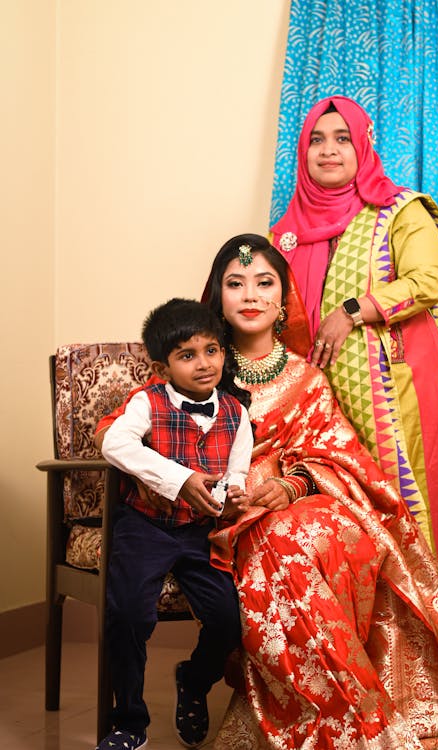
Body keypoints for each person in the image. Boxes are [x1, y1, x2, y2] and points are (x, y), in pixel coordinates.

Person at [98, 236, 438, 749]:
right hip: (213, 512)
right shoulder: (195, 360)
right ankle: (323, 718)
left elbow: (336, 452)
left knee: (339, 532)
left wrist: (289, 484)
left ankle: (346, 710)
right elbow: (118, 430)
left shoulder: (307, 377)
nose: (250, 294)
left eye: (264, 282)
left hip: (282, 499)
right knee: (287, 545)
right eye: (235, 283)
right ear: (218, 299)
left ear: (284, 298)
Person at [270, 95, 438, 576]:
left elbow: (426, 282)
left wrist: (351, 312)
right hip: (313, 399)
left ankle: (416, 646)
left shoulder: (399, 210)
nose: (328, 150)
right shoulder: (285, 233)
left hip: (394, 392)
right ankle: (339, 644)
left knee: (398, 506)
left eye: (342, 138)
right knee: (328, 512)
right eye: (316, 139)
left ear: (363, 147)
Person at [96, 299, 253, 750]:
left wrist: (232, 495)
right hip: (144, 525)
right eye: (187, 355)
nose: (204, 364)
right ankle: (128, 720)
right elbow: (117, 445)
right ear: (163, 368)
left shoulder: (236, 413)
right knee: (127, 613)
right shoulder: (147, 402)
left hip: (198, 532)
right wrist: (179, 479)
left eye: (212, 350)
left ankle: (194, 681)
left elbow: (236, 472)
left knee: (228, 619)